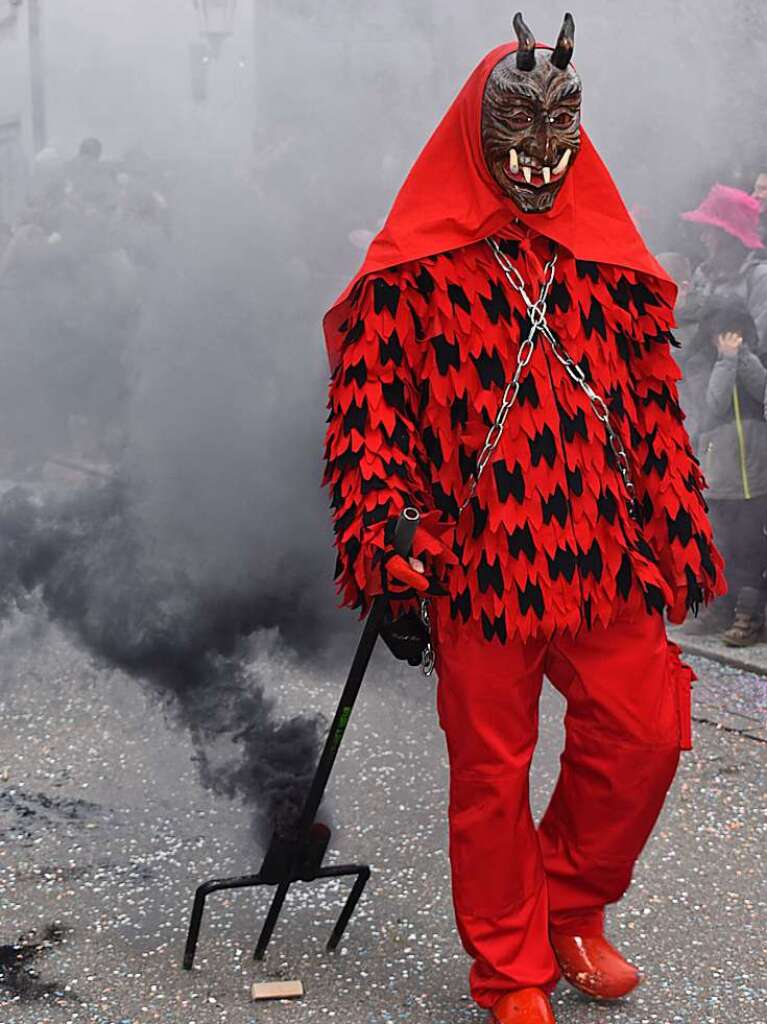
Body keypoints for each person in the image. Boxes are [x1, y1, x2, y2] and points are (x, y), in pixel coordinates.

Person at [322, 14, 724, 1024]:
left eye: (559, 131)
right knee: (490, 779)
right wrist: (388, 536)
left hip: (600, 556)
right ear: (479, 128)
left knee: (641, 735)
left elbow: (646, 400)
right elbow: (364, 419)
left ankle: (571, 908)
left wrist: (672, 518)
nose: (540, 159)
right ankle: (508, 971)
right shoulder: (410, 270)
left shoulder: (604, 261)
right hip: (479, 564)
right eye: (520, 130)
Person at [680, 299, 767, 645]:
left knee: (749, 547)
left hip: (756, 474)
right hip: (718, 471)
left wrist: (743, 357)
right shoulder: (700, 364)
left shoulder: (753, 359)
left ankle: (749, 615)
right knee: (720, 544)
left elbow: (762, 391)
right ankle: (718, 608)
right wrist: (725, 362)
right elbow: (711, 406)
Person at [682, 183, 767, 354]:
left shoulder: (759, 278)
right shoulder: (702, 274)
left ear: (728, 236)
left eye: (709, 231)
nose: (702, 238)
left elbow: (758, 343)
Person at [656, 251, 705, 443]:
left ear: (684, 288)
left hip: (693, 433)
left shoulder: (702, 329)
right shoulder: (651, 325)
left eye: (662, 287)